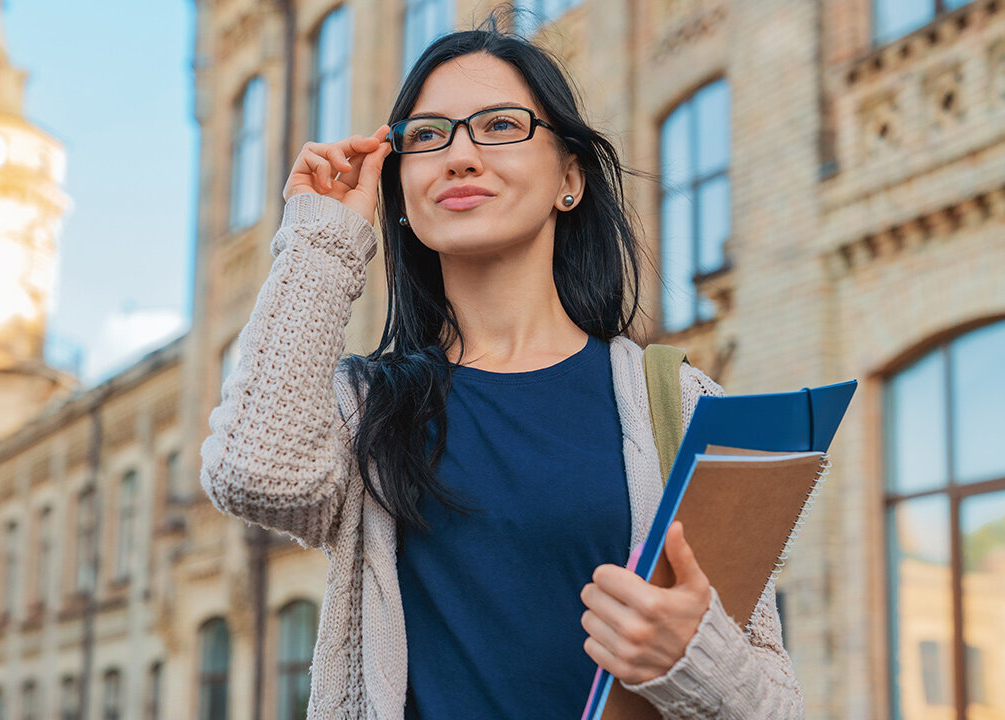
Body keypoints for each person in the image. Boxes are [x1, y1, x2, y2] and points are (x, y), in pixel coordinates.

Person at [200, 13, 804, 720]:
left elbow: (778, 702)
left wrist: (691, 658)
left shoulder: (677, 402)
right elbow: (252, 473)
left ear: (569, 177)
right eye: (428, 136)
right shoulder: (367, 407)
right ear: (401, 196)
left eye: (500, 125)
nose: (459, 156)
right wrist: (321, 235)